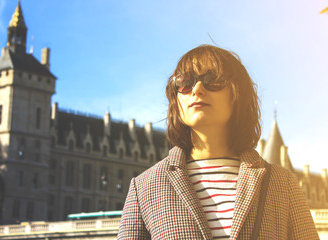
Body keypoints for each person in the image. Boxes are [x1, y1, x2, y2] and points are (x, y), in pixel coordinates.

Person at [117, 45, 319, 239]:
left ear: (238, 94)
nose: (196, 89)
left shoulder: (282, 184)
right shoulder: (144, 187)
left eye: (212, 79)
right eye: (184, 82)